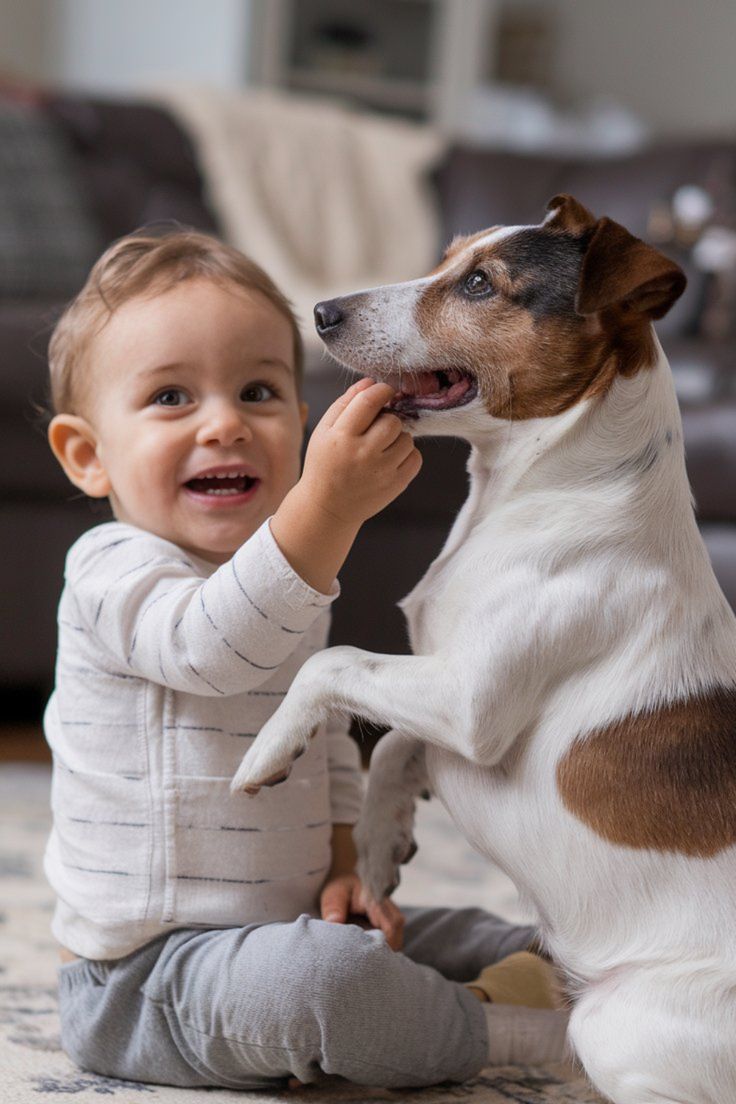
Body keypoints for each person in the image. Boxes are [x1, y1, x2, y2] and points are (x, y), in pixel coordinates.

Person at [43, 229, 568, 1091]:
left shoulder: (282, 580)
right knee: (328, 984)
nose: (224, 424)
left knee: (504, 933)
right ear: (88, 455)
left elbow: (321, 750)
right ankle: (499, 1028)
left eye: (258, 391)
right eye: (172, 397)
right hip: (149, 981)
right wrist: (324, 507)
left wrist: (345, 871)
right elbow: (208, 646)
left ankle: (563, 975)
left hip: (285, 923)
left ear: (299, 419)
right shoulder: (111, 570)